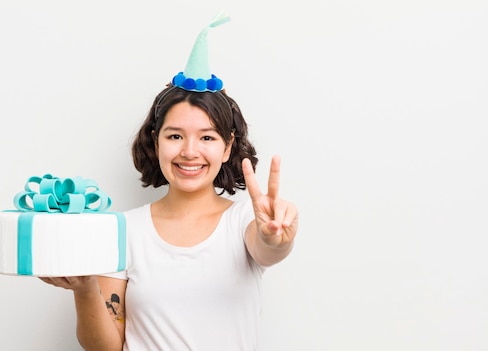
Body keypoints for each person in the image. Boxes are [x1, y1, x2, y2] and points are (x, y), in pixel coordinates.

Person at [39, 12, 299, 350]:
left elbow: (267, 249)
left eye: (207, 138)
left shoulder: (244, 221)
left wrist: (275, 238)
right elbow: (105, 347)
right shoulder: (124, 230)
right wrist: (86, 288)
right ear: (155, 140)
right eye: (175, 136)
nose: (190, 152)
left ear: (227, 147)